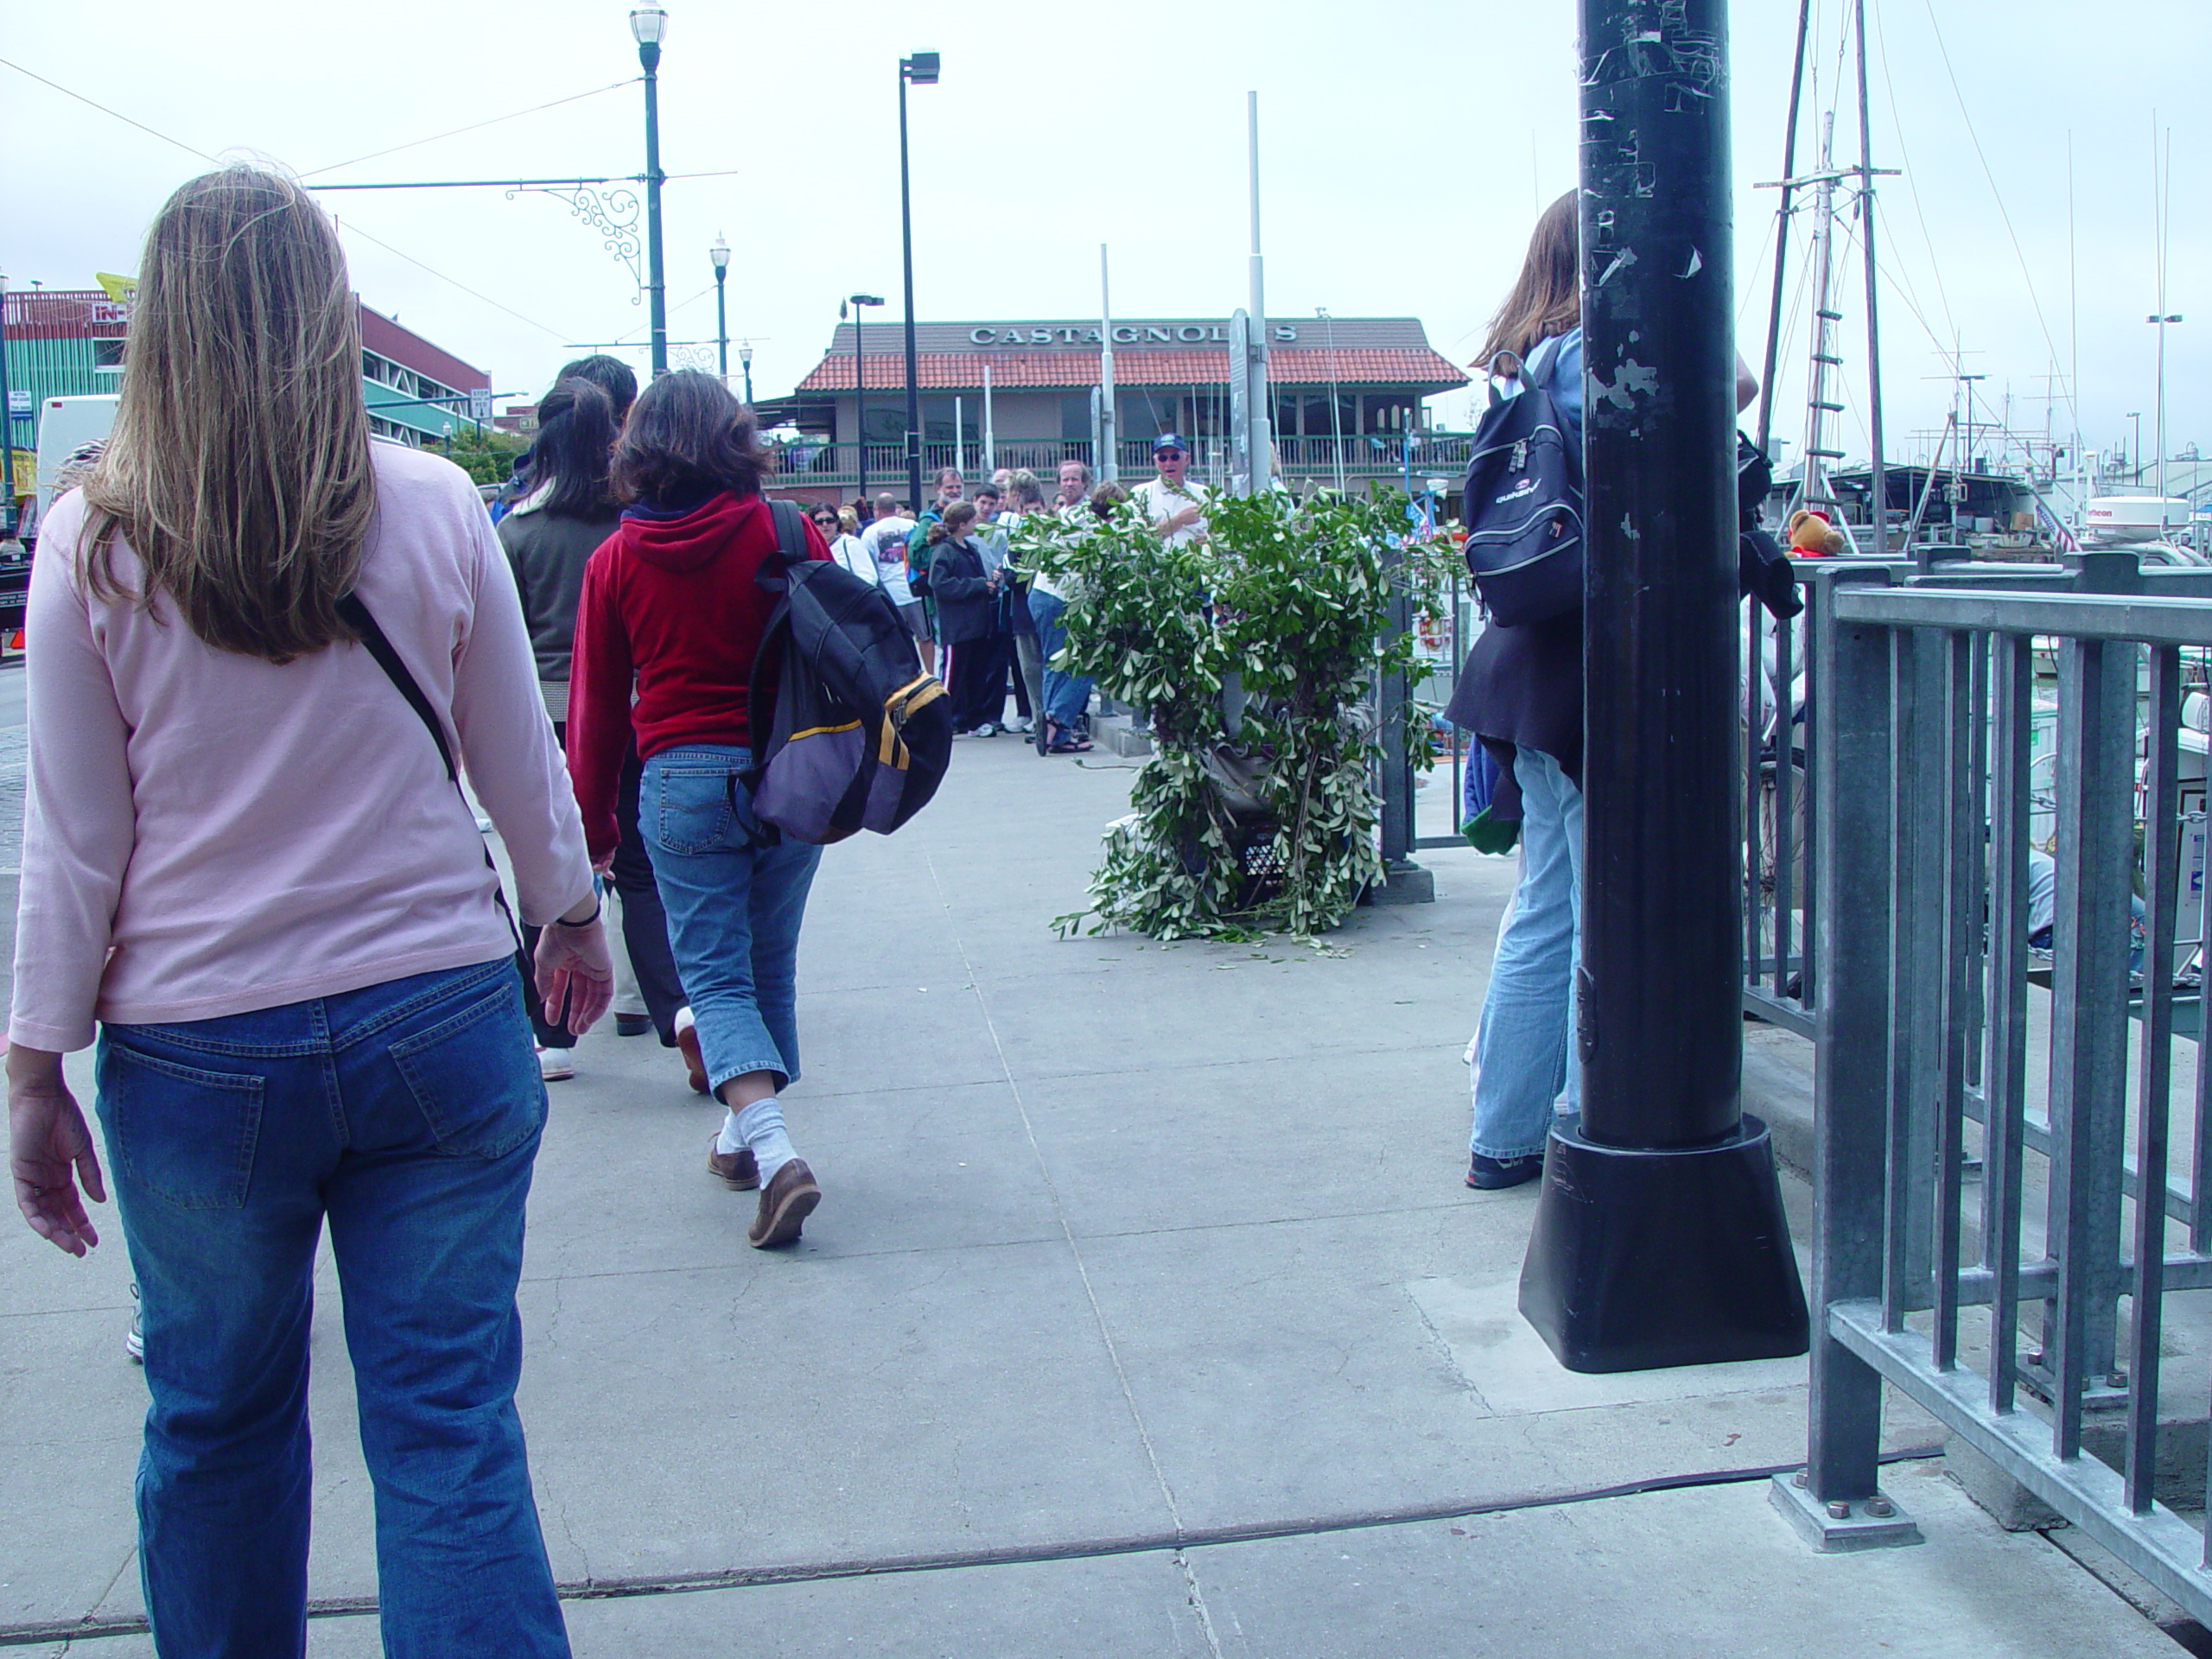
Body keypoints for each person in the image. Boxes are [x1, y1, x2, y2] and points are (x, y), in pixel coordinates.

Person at [9, 165, 602, 1656]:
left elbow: (77, 844)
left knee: (214, 1426)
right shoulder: (429, 502)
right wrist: (567, 913)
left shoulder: (98, 546)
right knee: (448, 1428)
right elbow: (513, 753)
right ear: (323, 317)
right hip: (438, 1018)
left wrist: (32, 1066)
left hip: (199, 1049)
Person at [1450, 189, 1756, 1192]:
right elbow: (1734, 387)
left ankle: (1503, 1134)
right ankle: (1584, 1117)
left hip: (1522, 663)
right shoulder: (1594, 353)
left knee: (1546, 903)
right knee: (1591, 910)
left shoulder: (1525, 359)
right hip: (1587, 667)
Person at [567, 371, 831, 1249]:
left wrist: (593, 834)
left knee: (714, 977)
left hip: (681, 780)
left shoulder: (615, 559)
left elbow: (597, 712)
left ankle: (775, 1149)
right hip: (789, 776)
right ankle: (737, 1140)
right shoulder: (787, 530)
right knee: (770, 964)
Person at [499, 373, 691, 1082]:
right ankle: (675, 1012)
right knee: (643, 870)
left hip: (545, 714)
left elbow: (500, 643)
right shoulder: (632, 523)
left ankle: (551, 1034)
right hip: (636, 711)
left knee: (546, 866)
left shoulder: (517, 530)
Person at [925, 502, 1007, 735]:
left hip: (975, 624)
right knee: (953, 675)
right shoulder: (944, 551)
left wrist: (988, 584)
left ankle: (972, 719)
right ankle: (944, 719)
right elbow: (940, 585)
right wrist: (978, 584)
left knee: (975, 675)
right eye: (972, 520)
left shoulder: (970, 548)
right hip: (957, 626)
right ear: (962, 524)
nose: (976, 523)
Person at [1001, 470, 1049, 747]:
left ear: (1045, 509)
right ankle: (1038, 718)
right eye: (1028, 511)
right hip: (1024, 615)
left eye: (1037, 510)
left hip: (1052, 615)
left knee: (1052, 668)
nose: (1033, 515)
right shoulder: (1015, 542)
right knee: (1030, 671)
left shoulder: (1056, 538)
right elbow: (1011, 578)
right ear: (1020, 511)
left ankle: (1055, 718)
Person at [859, 491, 927, 669]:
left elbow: (868, 565)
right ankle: (930, 674)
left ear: (876, 510)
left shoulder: (870, 532)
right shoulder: (913, 524)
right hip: (916, 591)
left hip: (890, 595)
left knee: (895, 641)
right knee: (925, 638)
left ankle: (905, 675)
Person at [1135, 433, 1210, 549]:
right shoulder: (1140, 494)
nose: (1168, 463)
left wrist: (1209, 541)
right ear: (1155, 461)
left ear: (1187, 458)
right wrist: (1179, 521)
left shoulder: (1205, 494)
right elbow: (1136, 540)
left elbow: (1222, 535)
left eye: (1175, 457)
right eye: (1162, 458)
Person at [820, 502, 878, 585]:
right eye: (819, 522)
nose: (824, 525)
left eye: (830, 521)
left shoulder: (850, 543)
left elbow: (869, 578)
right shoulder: (810, 548)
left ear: (837, 523)